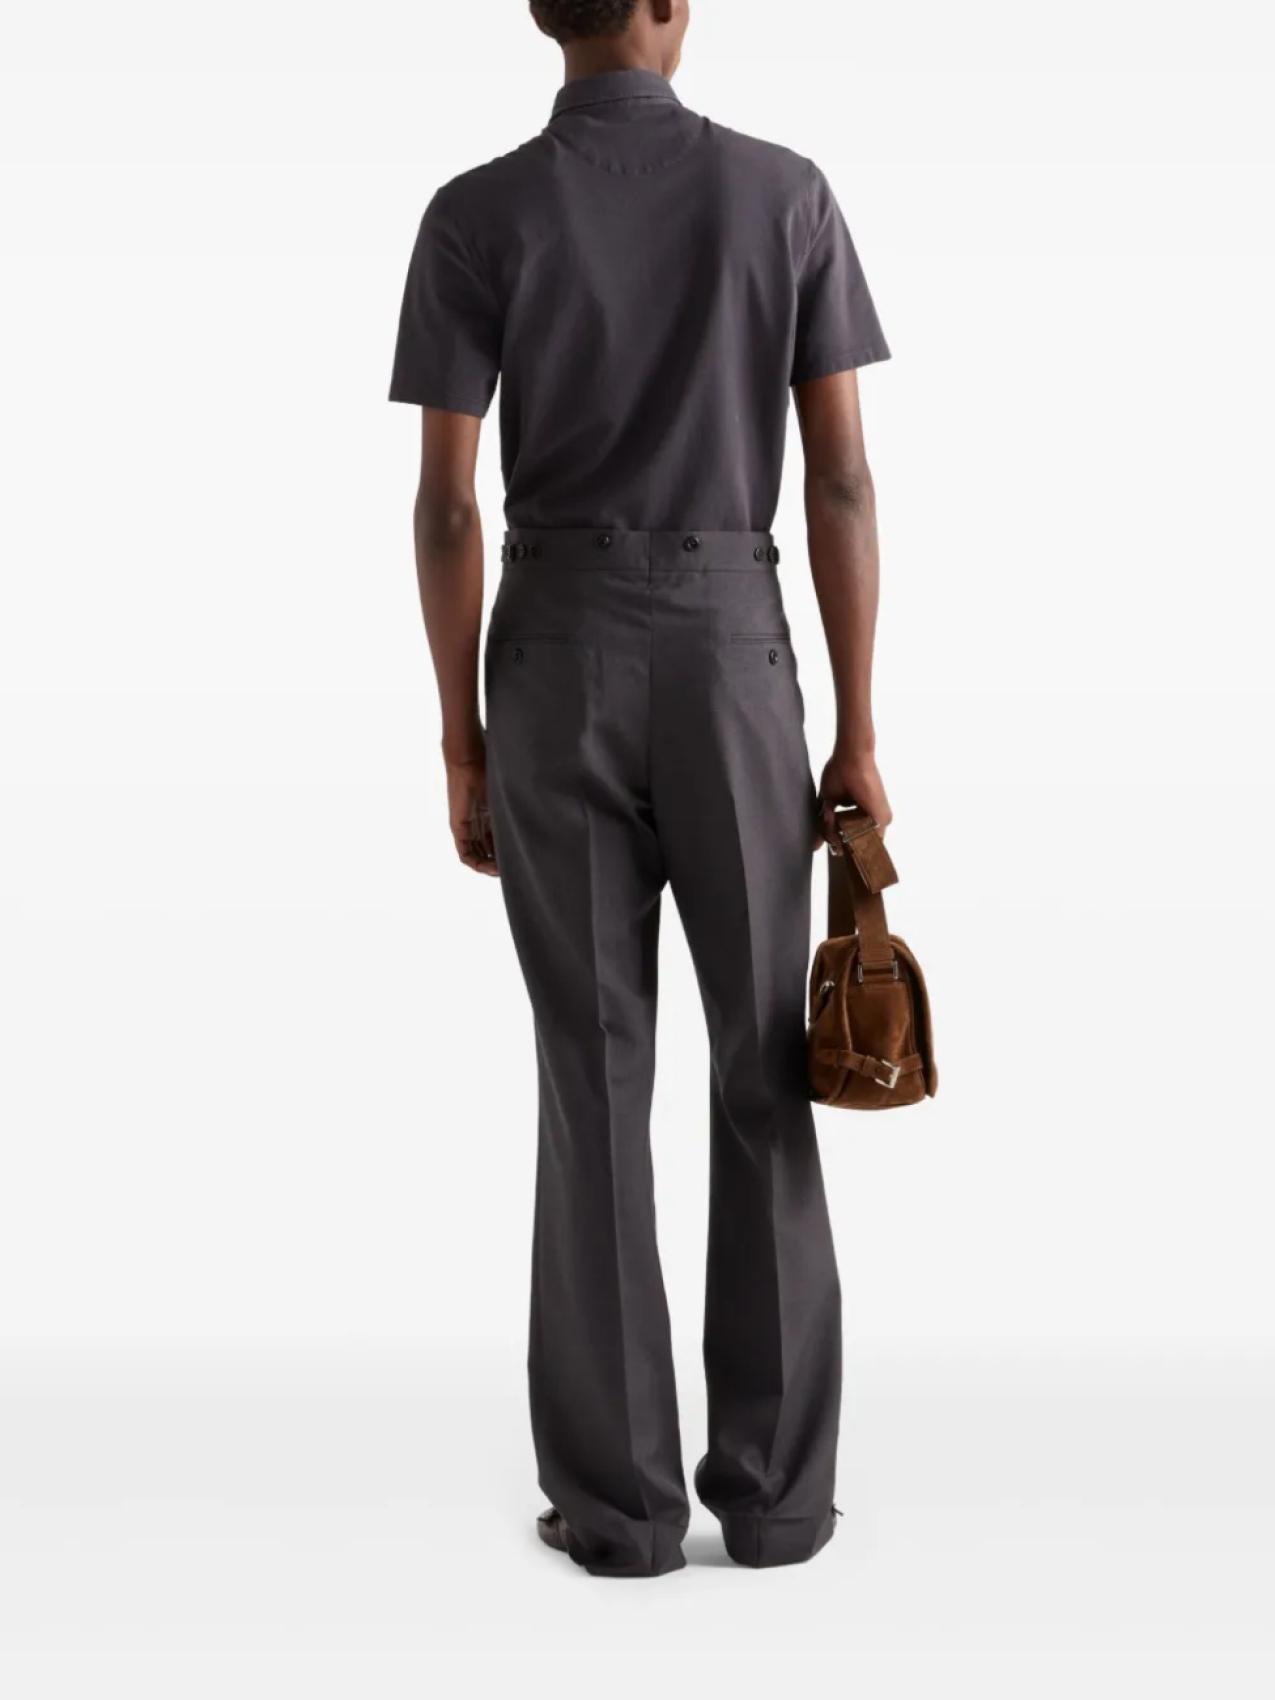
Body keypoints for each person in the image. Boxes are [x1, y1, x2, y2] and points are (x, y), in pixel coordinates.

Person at [389, 0, 892, 1579]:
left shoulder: (475, 214)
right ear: (672, 7)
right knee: (765, 1068)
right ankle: (779, 1500)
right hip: (734, 649)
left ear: (546, 15)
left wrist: (462, 737)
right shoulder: (785, 194)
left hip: (553, 657)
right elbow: (842, 477)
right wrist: (856, 733)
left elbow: (447, 508)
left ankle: (618, 1511)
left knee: (592, 1073)